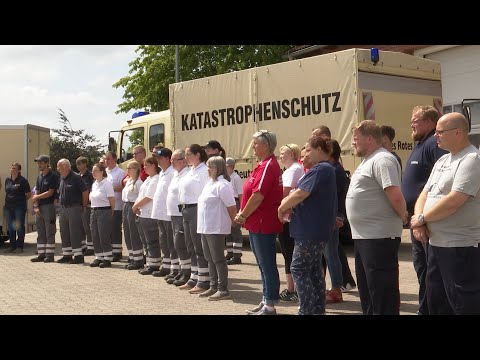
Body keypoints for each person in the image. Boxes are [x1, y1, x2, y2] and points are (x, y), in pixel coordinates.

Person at [410, 112, 480, 315]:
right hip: (436, 245)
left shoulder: (471, 159)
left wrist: (422, 219)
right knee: (437, 302)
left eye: (440, 132)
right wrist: (419, 223)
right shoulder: (442, 161)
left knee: (463, 303)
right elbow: (425, 193)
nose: (435, 136)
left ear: (457, 132)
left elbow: (455, 200)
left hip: (459, 247)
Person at [345, 120, 407, 315]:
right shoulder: (369, 160)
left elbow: (395, 194)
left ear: (369, 138)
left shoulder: (383, 160)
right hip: (365, 238)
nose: (352, 143)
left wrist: (403, 217)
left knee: (382, 294)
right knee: (369, 293)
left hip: (379, 238)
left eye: (356, 139)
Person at [278, 136, 337, 315]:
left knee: (299, 268)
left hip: (310, 231)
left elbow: (300, 193)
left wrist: (282, 207)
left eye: (308, 150)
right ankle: (317, 309)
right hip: (312, 230)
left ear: (320, 149)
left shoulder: (321, 169)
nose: (304, 154)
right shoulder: (322, 169)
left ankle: (307, 310)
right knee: (312, 270)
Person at [401, 105, 447, 315]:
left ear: (429, 122)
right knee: (422, 270)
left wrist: (424, 218)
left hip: (427, 221)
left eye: (415, 120)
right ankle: (425, 309)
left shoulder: (432, 145)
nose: (412, 123)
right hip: (416, 220)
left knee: (432, 272)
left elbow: (440, 183)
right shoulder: (420, 144)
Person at [234, 130, 283, 315]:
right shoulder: (263, 164)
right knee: (263, 264)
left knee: (267, 264)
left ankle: (270, 304)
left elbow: (258, 195)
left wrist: (243, 215)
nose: (253, 146)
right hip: (257, 223)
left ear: (266, 146)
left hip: (263, 223)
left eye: (256, 143)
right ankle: (265, 300)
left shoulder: (268, 165)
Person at [197, 156, 237, 301]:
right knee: (209, 258)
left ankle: (222, 289)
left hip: (216, 227)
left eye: (210, 167)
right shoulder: (210, 183)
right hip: (205, 227)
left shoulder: (223, 185)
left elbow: (231, 207)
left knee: (218, 259)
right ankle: (213, 286)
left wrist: (234, 221)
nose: (207, 169)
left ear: (217, 168)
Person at [177, 144, 210, 293]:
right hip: (186, 210)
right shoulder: (191, 170)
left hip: (196, 209)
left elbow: (205, 192)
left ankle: (203, 281)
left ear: (198, 155)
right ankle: (194, 277)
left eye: (189, 154)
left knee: (198, 245)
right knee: (190, 245)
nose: (186, 157)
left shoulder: (203, 170)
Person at [278, 143, 303, 302]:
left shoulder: (292, 170)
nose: (281, 156)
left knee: (288, 252)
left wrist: (278, 210)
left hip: (287, 217)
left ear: (293, 154)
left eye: (284, 153)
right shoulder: (295, 169)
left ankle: (291, 289)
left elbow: (284, 193)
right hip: (293, 217)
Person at [165, 149, 191, 286]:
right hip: (174, 214)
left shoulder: (187, 174)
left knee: (181, 244)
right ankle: (182, 270)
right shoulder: (176, 174)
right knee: (177, 244)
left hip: (181, 214)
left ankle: (187, 273)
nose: (171, 162)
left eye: (174, 159)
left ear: (183, 161)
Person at [56, 159, 89, 264]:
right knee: (64, 232)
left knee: (74, 232)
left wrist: (83, 206)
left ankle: (78, 256)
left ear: (66, 166)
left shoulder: (76, 177)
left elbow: (85, 192)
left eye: (59, 167)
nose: (58, 169)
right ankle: (67, 255)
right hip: (63, 209)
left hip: (74, 208)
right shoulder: (62, 178)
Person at [151, 148, 177, 277]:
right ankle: (166, 266)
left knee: (171, 242)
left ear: (168, 159)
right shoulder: (162, 172)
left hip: (168, 213)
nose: (158, 160)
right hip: (160, 213)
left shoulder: (172, 172)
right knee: (164, 242)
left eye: (160, 158)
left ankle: (174, 268)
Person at [133, 156, 161, 275]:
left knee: (151, 241)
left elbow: (149, 197)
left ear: (153, 166)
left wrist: (135, 206)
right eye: (143, 165)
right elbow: (141, 195)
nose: (144, 167)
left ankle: (154, 264)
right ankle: (149, 263)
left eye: (146, 165)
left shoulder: (155, 179)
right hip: (142, 214)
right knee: (145, 241)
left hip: (149, 214)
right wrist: (136, 206)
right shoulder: (148, 179)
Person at [30, 155, 60, 263]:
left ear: (47, 163)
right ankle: (41, 254)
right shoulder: (40, 176)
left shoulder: (53, 176)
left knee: (49, 231)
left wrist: (37, 197)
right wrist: (36, 206)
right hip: (40, 207)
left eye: (41, 163)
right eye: (38, 163)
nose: (39, 165)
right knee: (40, 231)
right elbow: (36, 191)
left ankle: (50, 255)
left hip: (49, 207)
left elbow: (50, 192)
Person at [89, 163, 115, 268]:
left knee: (103, 234)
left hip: (104, 211)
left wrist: (111, 211)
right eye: (92, 170)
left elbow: (112, 199)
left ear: (101, 172)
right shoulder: (94, 183)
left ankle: (107, 258)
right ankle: (99, 257)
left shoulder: (107, 184)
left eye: (95, 170)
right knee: (95, 234)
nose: (93, 172)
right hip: (94, 210)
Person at [4, 162, 31, 253]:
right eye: (12, 168)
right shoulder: (7, 180)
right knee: (11, 228)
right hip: (8, 207)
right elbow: (7, 192)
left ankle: (19, 247)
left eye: (15, 168)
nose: (13, 170)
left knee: (19, 227)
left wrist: (20, 201)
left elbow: (28, 195)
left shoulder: (23, 181)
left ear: (19, 170)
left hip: (19, 207)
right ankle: (12, 246)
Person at [121, 160, 144, 269]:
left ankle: (138, 259)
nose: (128, 171)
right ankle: (132, 257)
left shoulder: (139, 183)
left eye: (130, 168)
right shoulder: (129, 181)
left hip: (133, 206)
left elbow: (141, 197)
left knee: (134, 233)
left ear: (136, 169)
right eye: (127, 168)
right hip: (126, 205)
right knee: (127, 232)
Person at [104, 151, 126, 261]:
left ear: (114, 159)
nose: (106, 161)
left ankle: (117, 252)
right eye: (105, 159)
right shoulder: (104, 172)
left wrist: (111, 188)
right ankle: (110, 250)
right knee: (107, 230)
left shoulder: (120, 172)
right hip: (105, 206)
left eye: (108, 159)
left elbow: (124, 187)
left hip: (117, 206)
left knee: (115, 229)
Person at [225, 157, 243, 264]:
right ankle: (230, 252)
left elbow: (241, 194)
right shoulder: (226, 178)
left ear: (231, 167)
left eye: (226, 166)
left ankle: (237, 255)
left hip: (235, 202)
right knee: (228, 229)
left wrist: (240, 208)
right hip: (228, 203)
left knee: (235, 229)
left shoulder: (236, 178)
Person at [76, 156, 95, 255]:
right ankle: (83, 246)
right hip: (79, 204)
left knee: (87, 226)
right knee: (80, 227)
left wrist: (89, 203)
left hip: (87, 205)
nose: (78, 166)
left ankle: (91, 247)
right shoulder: (78, 176)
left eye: (80, 164)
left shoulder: (90, 176)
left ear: (85, 164)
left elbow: (91, 190)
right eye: (77, 164)